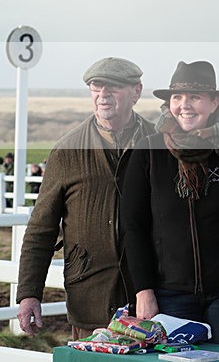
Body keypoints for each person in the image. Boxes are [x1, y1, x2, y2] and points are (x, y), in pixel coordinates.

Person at [121, 60, 219, 348]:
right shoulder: (148, 152)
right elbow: (134, 226)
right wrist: (143, 290)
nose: (184, 105)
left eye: (195, 97)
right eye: (177, 97)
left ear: (214, 102)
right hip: (170, 295)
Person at [16, 57, 155, 340]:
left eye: (114, 87)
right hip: (90, 296)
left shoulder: (159, 142)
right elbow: (41, 228)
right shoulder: (67, 150)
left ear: (136, 92)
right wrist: (29, 293)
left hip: (152, 297)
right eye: (96, 86)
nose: (103, 95)